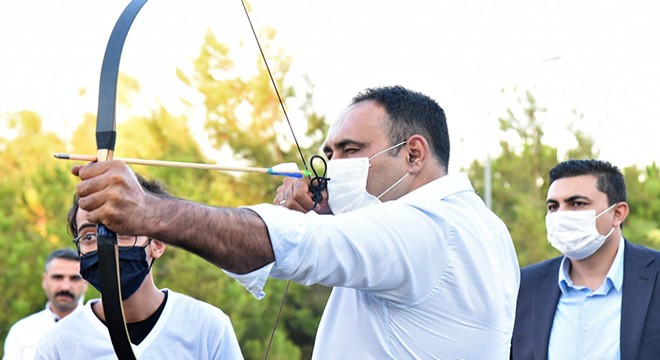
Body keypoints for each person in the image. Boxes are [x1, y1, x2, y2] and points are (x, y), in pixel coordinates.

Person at [71, 85, 520, 358]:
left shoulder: (428, 228)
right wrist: (320, 216)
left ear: (413, 153)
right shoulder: (480, 224)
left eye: (349, 150)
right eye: (329, 154)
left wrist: (150, 212)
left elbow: (294, 246)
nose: (330, 164)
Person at [35, 175, 243, 359]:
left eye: (123, 231)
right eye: (89, 236)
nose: (105, 247)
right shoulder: (58, 345)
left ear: (158, 243)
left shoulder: (206, 327)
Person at [511, 159, 660, 360]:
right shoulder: (525, 286)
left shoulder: (655, 276)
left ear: (618, 213)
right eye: (553, 206)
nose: (561, 215)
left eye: (577, 204)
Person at [3, 248, 87, 360]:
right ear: (44, 280)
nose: (65, 286)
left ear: (86, 283)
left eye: (74, 278)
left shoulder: (102, 330)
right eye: (58, 277)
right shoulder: (21, 331)